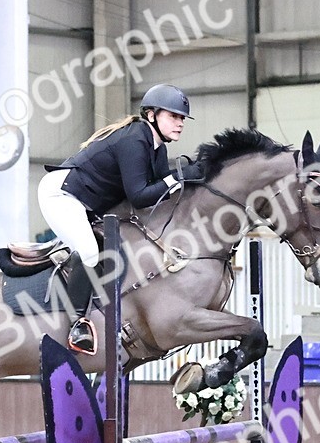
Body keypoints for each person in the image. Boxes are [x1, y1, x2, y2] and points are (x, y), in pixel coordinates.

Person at [37, 83, 203, 354]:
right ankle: (77, 326)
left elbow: (160, 196)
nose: (180, 123)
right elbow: (139, 196)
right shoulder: (135, 138)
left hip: (87, 203)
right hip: (61, 195)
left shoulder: (157, 148)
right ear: (152, 115)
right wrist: (178, 176)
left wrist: (188, 179)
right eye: (174, 116)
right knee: (89, 251)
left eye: (182, 118)